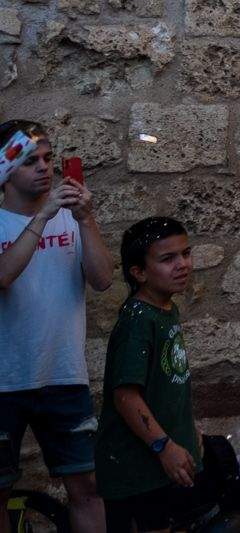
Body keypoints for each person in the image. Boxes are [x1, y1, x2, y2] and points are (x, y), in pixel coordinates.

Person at [0, 119, 115, 533]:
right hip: (4, 380)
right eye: (31, 161)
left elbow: (102, 280)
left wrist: (85, 220)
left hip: (63, 375)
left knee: (86, 486)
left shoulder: (68, 218)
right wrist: (44, 218)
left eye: (49, 158)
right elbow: (4, 276)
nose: (45, 168)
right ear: (5, 169)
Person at [95, 218, 207, 533]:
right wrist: (164, 447)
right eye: (168, 259)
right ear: (138, 272)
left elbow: (166, 385)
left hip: (162, 465)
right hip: (137, 470)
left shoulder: (165, 309)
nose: (183, 264)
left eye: (186, 254)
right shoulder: (137, 322)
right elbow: (125, 396)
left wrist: (186, 429)